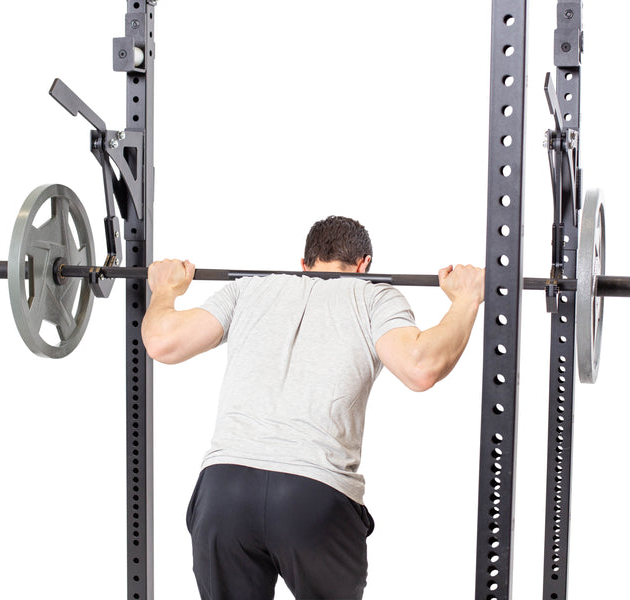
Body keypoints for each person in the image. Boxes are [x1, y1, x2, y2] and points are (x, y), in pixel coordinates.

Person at [141, 216, 484, 600]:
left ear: (304, 263)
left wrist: (164, 290)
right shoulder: (373, 295)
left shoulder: (248, 289)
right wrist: (466, 300)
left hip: (225, 492)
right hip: (313, 496)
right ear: (363, 265)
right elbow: (421, 367)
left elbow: (161, 343)